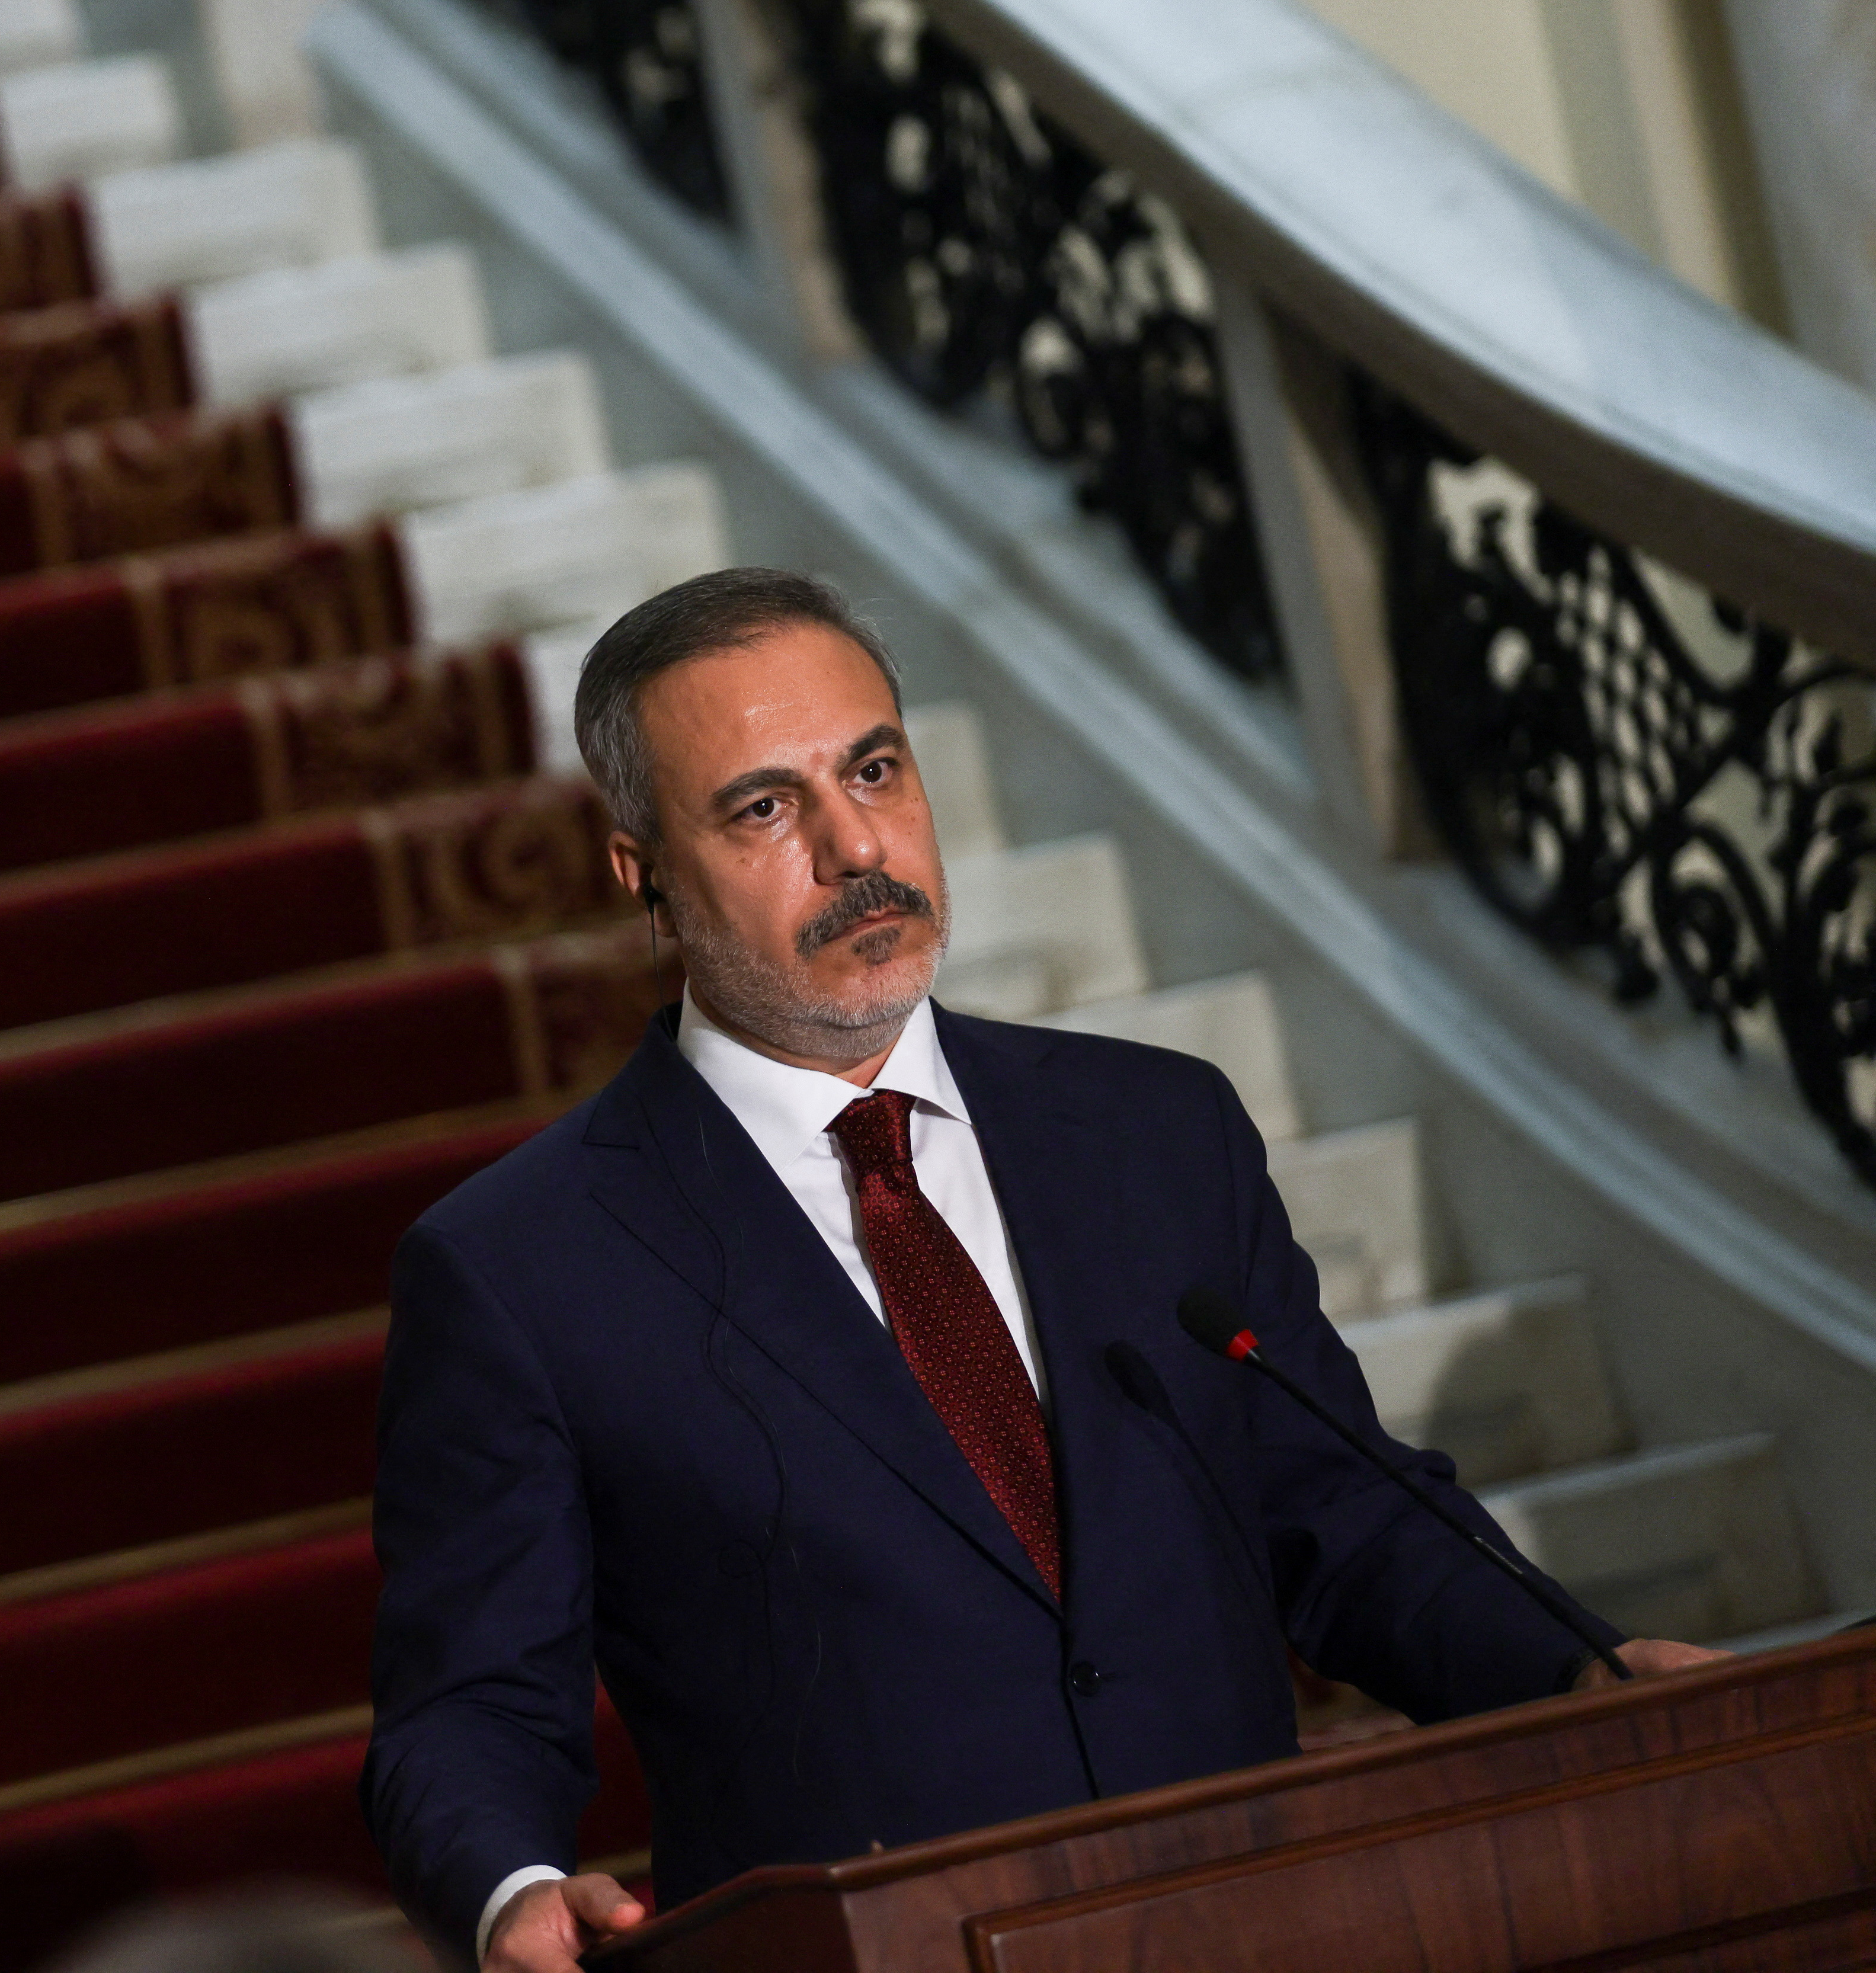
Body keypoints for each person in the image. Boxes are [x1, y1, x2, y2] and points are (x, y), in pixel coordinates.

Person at [358, 571, 1721, 1971]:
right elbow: (465, 1701)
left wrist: (1578, 1669)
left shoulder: (1154, 1132)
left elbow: (1341, 1516)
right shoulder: (521, 1268)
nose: (852, 848)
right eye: (764, 808)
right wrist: (506, 1884)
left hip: (1264, 1926)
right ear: (639, 868)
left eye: (874, 770)